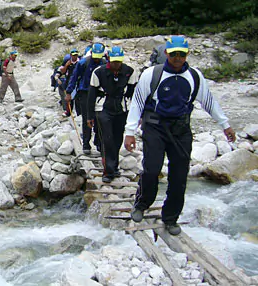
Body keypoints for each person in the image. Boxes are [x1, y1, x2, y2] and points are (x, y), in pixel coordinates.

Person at [124, 36, 236, 236]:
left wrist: (225, 125)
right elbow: (137, 104)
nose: (177, 58)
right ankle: (141, 204)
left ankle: (170, 217)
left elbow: (209, 102)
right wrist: (130, 132)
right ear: (166, 53)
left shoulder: (195, 76)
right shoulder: (151, 74)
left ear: (187, 55)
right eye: (173, 53)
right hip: (155, 127)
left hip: (181, 130)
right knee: (151, 170)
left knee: (179, 176)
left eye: (181, 54)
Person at [87, 46, 138, 183]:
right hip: (102, 108)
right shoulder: (99, 72)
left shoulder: (130, 71)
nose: (116, 64)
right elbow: (91, 95)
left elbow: (132, 93)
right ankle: (108, 171)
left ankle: (114, 167)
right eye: (114, 61)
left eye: (119, 61)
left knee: (117, 138)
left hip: (121, 108)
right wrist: (89, 116)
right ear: (109, 59)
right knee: (107, 139)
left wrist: (135, 115)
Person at [65, 43, 106, 154]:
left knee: (100, 119)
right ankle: (86, 144)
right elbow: (74, 77)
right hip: (85, 93)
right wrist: (69, 92)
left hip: (99, 94)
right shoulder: (83, 63)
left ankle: (99, 143)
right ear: (92, 53)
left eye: (99, 57)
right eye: (95, 57)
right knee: (86, 119)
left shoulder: (104, 64)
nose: (97, 60)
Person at [55, 49, 80, 116]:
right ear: (71, 55)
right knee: (69, 97)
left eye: (76, 55)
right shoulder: (67, 61)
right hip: (69, 80)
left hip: (78, 81)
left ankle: (78, 112)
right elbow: (62, 71)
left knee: (77, 97)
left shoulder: (80, 62)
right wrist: (66, 65)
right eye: (73, 55)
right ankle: (68, 111)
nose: (75, 56)